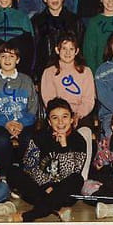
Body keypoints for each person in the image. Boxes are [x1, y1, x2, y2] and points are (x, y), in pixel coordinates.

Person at [7, 98, 86, 222]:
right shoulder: (39, 136)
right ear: (49, 121)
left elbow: (72, 172)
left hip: (64, 190)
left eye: (65, 117)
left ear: (71, 119)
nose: (60, 122)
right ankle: (56, 208)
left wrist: (64, 147)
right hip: (41, 188)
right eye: (55, 118)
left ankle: (32, 214)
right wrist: (47, 185)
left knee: (77, 179)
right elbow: (30, 166)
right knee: (13, 172)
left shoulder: (79, 140)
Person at [39, 32, 95, 179]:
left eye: (71, 49)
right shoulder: (49, 72)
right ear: (57, 50)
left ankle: (82, 178)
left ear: (77, 51)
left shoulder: (86, 71)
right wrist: (65, 117)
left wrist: (76, 115)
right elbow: (49, 100)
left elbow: (89, 100)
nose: (68, 52)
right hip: (58, 114)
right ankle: (54, 176)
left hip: (80, 114)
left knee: (85, 133)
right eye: (64, 48)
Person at [0, 43, 38, 175]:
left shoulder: (26, 81)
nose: (7, 60)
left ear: (17, 60)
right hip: (0, 123)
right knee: (2, 141)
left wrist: (21, 123)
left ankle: (25, 173)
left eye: (11, 56)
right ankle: (5, 174)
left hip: (24, 123)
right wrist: (6, 123)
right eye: (3, 56)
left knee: (29, 139)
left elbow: (33, 108)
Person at [31, 0, 84, 82]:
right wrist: (35, 78)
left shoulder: (75, 21)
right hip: (45, 75)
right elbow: (33, 53)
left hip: (71, 75)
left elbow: (80, 50)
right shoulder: (36, 22)